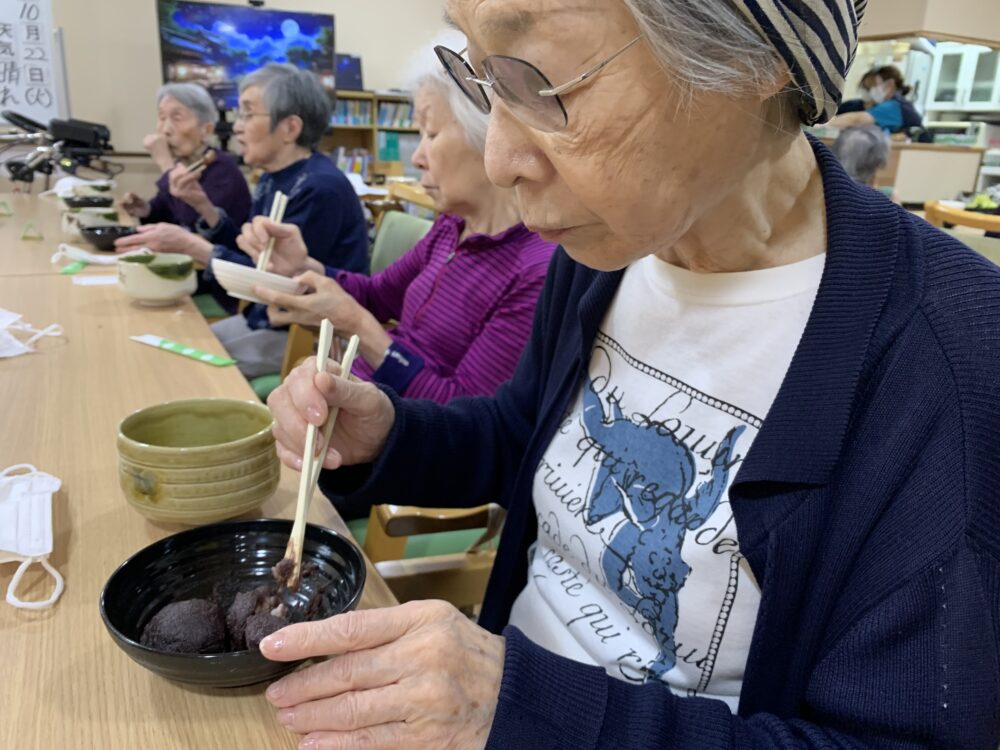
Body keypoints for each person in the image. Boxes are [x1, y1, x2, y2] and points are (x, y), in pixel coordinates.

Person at [263, 0, 1000, 747]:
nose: (500, 160)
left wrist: (519, 710)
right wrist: (393, 434)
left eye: (541, 80)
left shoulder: (947, 360)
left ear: (753, 59)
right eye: (483, 76)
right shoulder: (604, 255)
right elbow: (526, 433)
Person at [237, 67, 555, 434]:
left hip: (404, 442)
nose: (417, 157)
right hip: (355, 404)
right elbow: (377, 295)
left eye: (431, 134)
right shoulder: (451, 228)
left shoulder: (535, 268)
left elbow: (464, 416)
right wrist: (303, 266)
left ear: (494, 138)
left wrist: (359, 327)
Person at [119, 64, 369, 377]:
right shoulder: (275, 177)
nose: (237, 127)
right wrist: (204, 206)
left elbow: (279, 284)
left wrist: (194, 247)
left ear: (290, 128)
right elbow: (255, 257)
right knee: (167, 348)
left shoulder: (319, 187)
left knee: (181, 368)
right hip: (264, 319)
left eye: (248, 114)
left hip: (307, 335)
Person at [120, 83, 251, 234]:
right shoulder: (184, 163)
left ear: (206, 129)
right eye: (162, 118)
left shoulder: (222, 168)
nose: (165, 129)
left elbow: (193, 222)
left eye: (177, 118)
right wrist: (146, 210)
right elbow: (169, 211)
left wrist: (165, 164)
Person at [829, 64, 923, 134]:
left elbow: (857, 119)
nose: (869, 91)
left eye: (871, 86)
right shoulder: (900, 105)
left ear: (889, 85)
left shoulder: (894, 107)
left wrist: (825, 125)